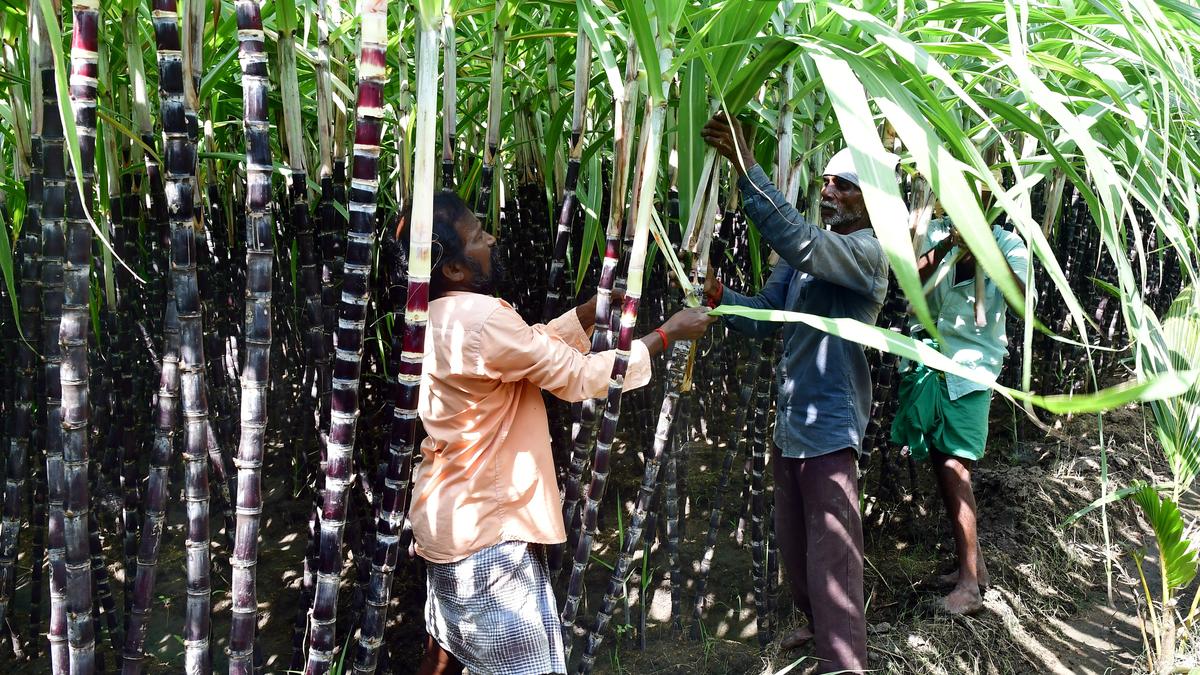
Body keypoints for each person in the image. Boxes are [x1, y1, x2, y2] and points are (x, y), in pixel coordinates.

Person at [403, 191, 716, 675]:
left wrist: (587, 312)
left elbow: (523, 351)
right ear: (455, 268)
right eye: (478, 235)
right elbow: (578, 376)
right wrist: (667, 335)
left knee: (445, 653)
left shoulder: (429, 316)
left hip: (445, 518)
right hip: (488, 533)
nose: (491, 239)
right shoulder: (482, 320)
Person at [701, 113, 893, 673]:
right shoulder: (809, 254)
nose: (827, 191)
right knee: (794, 543)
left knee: (834, 554)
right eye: (827, 182)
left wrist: (748, 168)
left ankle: (844, 662)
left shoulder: (865, 255)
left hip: (830, 426)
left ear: (871, 200)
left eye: (843, 185)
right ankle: (816, 624)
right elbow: (765, 317)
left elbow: (801, 242)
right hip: (792, 423)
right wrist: (720, 297)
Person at [890, 216, 1028, 615]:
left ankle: (969, 588)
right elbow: (908, 279)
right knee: (941, 463)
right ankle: (975, 570)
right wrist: (949, 246)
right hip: (926, 361)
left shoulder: (1009, 245)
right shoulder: (933, 232)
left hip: (970, 371)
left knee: (956, 469)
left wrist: (985, 251)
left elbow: (1021, 301)